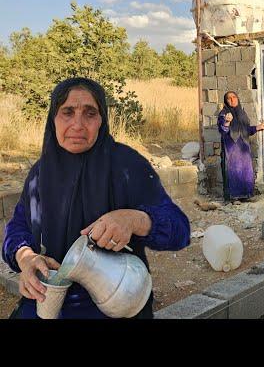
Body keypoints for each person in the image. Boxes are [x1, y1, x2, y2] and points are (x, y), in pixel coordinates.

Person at [2, 77, 191, 319]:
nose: (78, 124)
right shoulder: (41, 173)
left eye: (90, 113)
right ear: (53, 119)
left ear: (102, 120)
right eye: (67, 112)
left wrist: (134, 220)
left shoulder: (127, 166)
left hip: (113, 302)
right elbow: (18, 227)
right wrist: (25, 257)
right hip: (46, 299)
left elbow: (180, 230)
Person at [218, 91, 264, 202]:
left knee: (246, 171)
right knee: (233, 171)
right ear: (226, 101)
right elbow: (223, 130)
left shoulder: (242, 113)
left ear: (237, 98)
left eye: (234, 97)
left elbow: (246, 130)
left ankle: (246, 195)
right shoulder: (224, 114)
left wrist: (258, 127)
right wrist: (227, 122)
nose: (232, 100)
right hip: (231, 149)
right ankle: (233, 197)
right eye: (229, 98)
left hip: (244, 148)